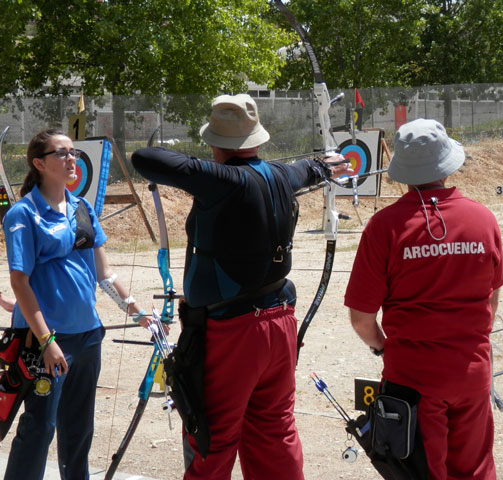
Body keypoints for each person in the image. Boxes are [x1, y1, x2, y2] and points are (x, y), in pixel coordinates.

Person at [131, 93, 352, 480]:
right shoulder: (282, 174)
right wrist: (320, 165)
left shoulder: (221, 180)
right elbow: (307, 169)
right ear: (258, 140)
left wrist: (203, 172)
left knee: (212, 438)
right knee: (274, 434)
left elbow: (144, 159)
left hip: (231, 333)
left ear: (216, 143)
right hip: (279, 324)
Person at [344, 118, 503, 480]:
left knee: (420, 472)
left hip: (412, 378)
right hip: (471, 371)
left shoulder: (384, 226)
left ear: (403, 171)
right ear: (447, 164)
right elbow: (491, 298)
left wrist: (383, 348)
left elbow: (361, 318)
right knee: (475, 471)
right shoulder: (484, 219)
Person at [2, 129, 147, 480]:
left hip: (88, 337)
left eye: (74, 152)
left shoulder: (81, 208)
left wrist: (139, 313)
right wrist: (48, 341)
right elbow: (20, 282)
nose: (72, 159)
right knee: (39, 429)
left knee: (79, 428)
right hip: (46, 341)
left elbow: (104, 274)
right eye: (61, 153)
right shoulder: (23, 214)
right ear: (39, 163)